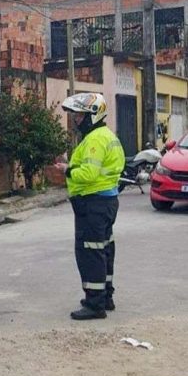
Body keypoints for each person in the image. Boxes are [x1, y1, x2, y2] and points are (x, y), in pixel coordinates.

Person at [55, 93, 124, 320]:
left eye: (80, 116)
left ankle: (95, 304)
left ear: (93, 116)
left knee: (90, 253)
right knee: (104, 250)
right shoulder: (107, 136)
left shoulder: (94, 139)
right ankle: (106, 297)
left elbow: (88, 173)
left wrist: (66, 169)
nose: (76, 121)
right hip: (105, 202)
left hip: (93, 204)